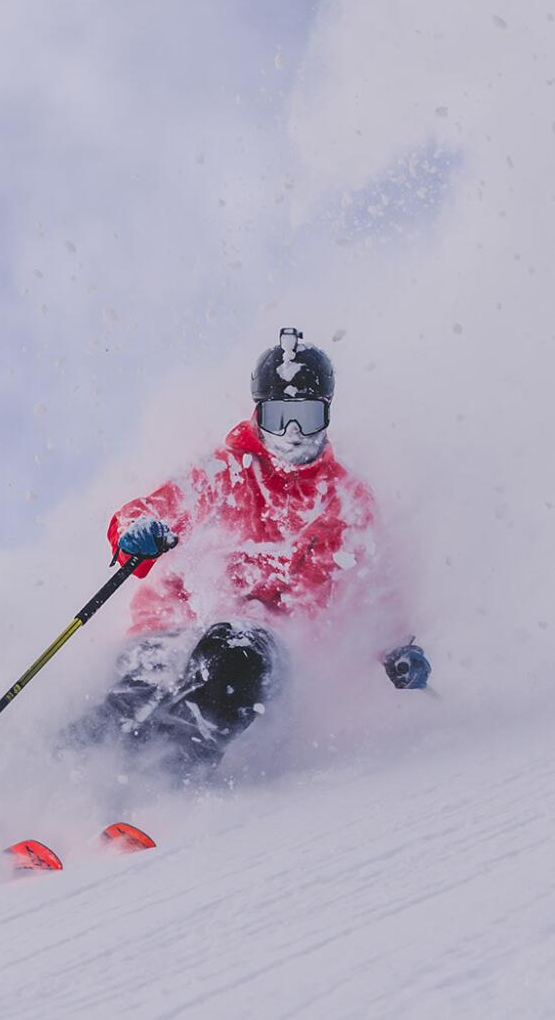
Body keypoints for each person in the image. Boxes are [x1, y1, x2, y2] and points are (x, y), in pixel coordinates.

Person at [67, 327, 431, 777]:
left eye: (307, 416)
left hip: (262, 650)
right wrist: (139, 532)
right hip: (175, 623)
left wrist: (396, 646)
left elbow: (372, 585)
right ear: (258, 414)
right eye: (279, 417)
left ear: (327, 416)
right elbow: (156, 508)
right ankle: (57, 782)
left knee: (233, 658)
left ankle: (163, 784)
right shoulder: (226, 471)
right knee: (136, 687)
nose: (293, 434)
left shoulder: (345, 500)